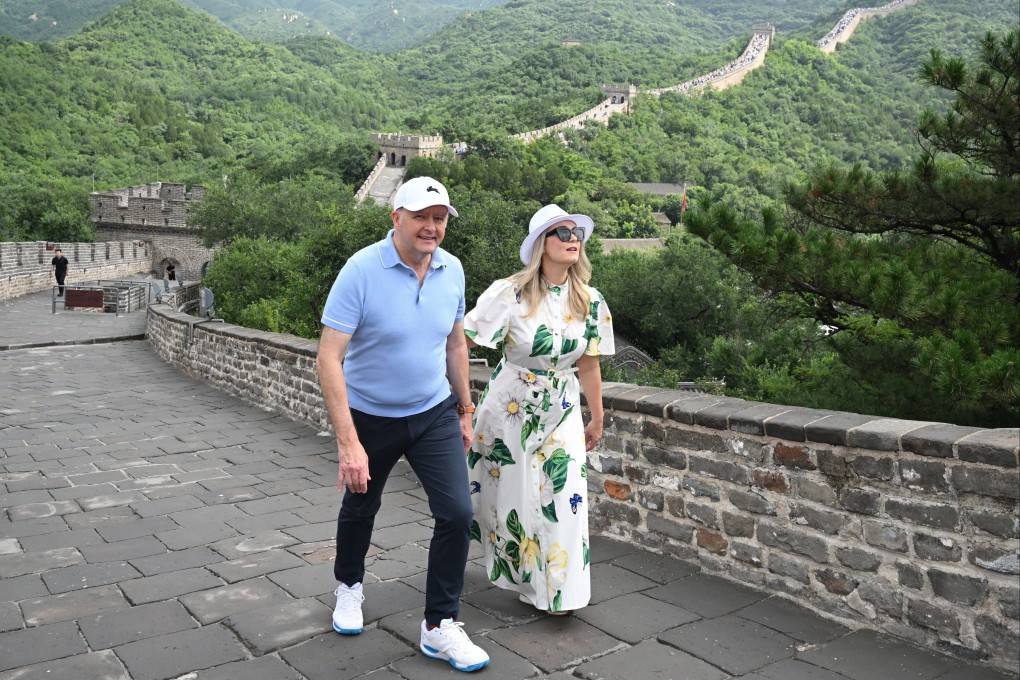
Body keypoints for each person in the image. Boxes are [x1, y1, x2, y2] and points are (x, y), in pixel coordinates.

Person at [316, 176, 490, 673]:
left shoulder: (452, 270)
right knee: (360, 505)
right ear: (397, 218)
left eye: (439, 219)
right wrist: (349, 443)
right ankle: (349, 587)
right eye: (421, 217)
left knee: (457, 513)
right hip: (371, 415)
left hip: (432, 410)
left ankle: (439, 626)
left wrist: (463, 409)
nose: (431, 227)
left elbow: (456, 344)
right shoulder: (362, 270)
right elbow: (329, 358)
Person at [463, 204, 615, 615]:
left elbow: (589, 362)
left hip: (562, 405)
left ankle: (559, 592)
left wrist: (596, 416)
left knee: (562, 495)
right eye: (560, 233)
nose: (571, 240)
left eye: (575, 234)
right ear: (540, 245)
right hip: (510, 407)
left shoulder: (590, 300)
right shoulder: (509, 293)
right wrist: (457, 396)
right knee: (508, 494)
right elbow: (462, 339)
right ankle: (517, 574)